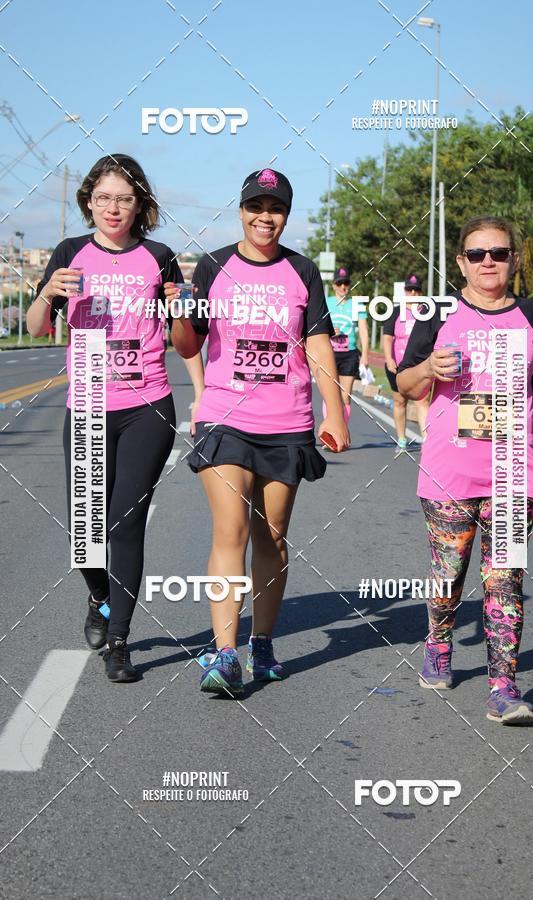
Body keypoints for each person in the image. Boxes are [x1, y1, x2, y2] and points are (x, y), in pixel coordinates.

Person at [169, 168, 349, 698]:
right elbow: (187, 344)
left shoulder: (303, 270)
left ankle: (262, 642)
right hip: (226, 416)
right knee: (232, 530)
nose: (263, 217)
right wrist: (180, 316)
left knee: (272, 537)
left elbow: (317, 347)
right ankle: (225, 654)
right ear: (241, 210)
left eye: (274, 209)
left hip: (286, 421)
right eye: (255, 207)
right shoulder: (213, 265)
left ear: (286, 215)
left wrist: (333, 410)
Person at [27, 154, 182, 683]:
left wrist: (180, 309)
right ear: (88, 201)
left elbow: (185, 341)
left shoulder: (160, 256)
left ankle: (120, 643)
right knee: (84, 529)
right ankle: (100, 596)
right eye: (104, 198)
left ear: (141, 205)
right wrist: (48, 291)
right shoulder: (70, 253)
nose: (114, 208)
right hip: (89, 401)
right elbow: (36, 324)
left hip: (147, 405)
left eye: (125, 198)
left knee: (124, 522)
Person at [397, 215, 533, 725]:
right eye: (478, 254)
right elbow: (403, 382)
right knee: (448, 576)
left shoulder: (529, 314)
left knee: (505, 580)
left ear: (514, 259)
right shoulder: (440, 313)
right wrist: (427, 370)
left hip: (512, 472)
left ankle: (503, 688)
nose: (490, 261)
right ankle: (439, 644)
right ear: (461, 262)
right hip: (450, 472)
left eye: (500, 253)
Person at [382, 273, 429, 449]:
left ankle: (427, 440)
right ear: (405, 291)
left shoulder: (427, 310)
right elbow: (387, 337)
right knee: (400, 401)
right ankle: (401, 438)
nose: (413, 293)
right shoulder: (396, 311)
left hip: (419, 366)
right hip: (398, 365)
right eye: (410, 289)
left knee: (422, 401)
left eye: (417, 290)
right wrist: (389, 359)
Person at [324, 267, 369, 427]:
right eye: (339, 283)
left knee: (345, 395)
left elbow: (363, 330)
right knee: (330, 395)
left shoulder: (356, 304)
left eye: (346, 283)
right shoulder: (326, 302)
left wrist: (365, 355)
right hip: (329, 353)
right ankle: (330, 430)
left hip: (349, 353)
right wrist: (329, 331)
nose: (343, 287)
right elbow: (317, 327)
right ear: (334, 285)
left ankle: (341, 430)